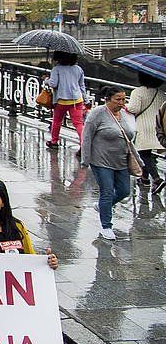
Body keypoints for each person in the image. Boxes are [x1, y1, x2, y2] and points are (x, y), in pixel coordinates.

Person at [81, 85, 136, 242]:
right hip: (101, 160)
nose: (121, 102)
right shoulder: (97, 113)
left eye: (124, 99)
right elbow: (87, 137)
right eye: (118, 99)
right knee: (107, 191)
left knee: (124, 191)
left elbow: (129, 136)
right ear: (108, 99)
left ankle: (102, 206)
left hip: (121, 160)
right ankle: (106, 226)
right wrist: (85, 161)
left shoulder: (124, 114)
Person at [126, 72, 165, 192]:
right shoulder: (161, 93)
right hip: (158, 125)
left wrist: (124, 106)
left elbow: (134, 108)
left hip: (143, 125)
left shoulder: (138, 92)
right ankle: (144, 178)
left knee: (143, 153)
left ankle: (157, 179)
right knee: (148, 153)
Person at [43, 51, 87, 148]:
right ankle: (84, 144)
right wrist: (86, 100)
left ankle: (54, 142)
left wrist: (46, 80)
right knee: (79, 124)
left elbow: (53, 84)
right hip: (77, 100)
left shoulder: (56, 69)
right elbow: (82, 86)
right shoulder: (78, 69)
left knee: (57, 121)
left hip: (61, 101)